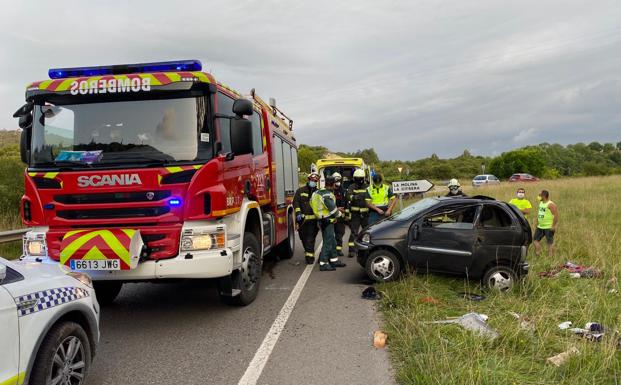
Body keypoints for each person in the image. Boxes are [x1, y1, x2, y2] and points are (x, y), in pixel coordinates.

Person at [311, 175, 347, 271]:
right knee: (328, 242)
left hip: (322, 219)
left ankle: (334, 260)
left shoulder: (317, 192)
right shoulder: (327, 195)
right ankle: (324, 263)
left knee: (332, 241)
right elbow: (333, 209)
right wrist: (340, 214)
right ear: (333, 184)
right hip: (327, 221)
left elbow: (320, 206)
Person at [293, 172, 320, 264]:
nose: (314, 182)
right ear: (309, 180)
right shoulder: (300, 191)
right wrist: (298, 213)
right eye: (312, 180)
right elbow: (296, 202)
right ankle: (308, 252)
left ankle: (310, 258)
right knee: (303, 238)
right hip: (302, 221)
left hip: (313, 221)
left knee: (310, 239)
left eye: (315, 181)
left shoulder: (318, 192)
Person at [346, 168, 369, 258]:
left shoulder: (367, 186)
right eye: (357, 178)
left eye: (360, 178)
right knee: (354, 232)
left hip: (365, 214)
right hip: (355, 214)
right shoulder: (352, 186)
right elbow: (348, 196)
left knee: (367, 231)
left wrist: (357, 196)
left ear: (363, 178)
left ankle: (366, 249)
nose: (358, 180)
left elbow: (369, 197)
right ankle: (351, 251)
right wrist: (356, 197)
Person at [533, 190, 558, 256]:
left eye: (539, 195)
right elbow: (539, 213)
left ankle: (550, 256)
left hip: (548, 226)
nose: (538, 197)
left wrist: (554, 226)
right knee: (535, 240)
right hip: (540, 226)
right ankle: (538, 253)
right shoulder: (541, 203)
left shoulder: (551, 204)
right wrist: (537, 222)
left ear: (543, 196)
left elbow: (556, 216)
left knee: (549, 242)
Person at [332, 172, 347, 257]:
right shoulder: (330, 190)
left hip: (341, 216)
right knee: (330, 234)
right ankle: (331, 250)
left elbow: (346, 203)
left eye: (339, 180)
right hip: (331, 216)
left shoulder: (343, 191)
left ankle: (338, 249)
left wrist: (346, 214)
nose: (338, 182)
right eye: (336, 180)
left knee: (340, 233)